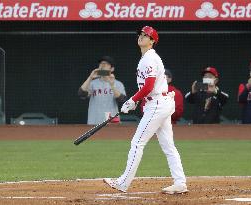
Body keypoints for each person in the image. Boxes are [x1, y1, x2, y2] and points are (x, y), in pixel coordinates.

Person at [103, 26, 188, 194]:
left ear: (152, 41)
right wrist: (136, 100)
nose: (141, 37)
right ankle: (180, 183)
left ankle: (123, 182)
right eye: (140, 34)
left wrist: (132, 100)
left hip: (157, 104)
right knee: (168, 146)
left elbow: (149, 86)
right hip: (159, 102)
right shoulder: (147, 58)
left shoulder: (149, 58)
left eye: (145, 35)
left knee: (137, 143)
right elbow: (148, 87)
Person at [78, 56, 126, 125]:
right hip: (94, 120)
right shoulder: (92, 83)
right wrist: (90, 77)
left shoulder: (118, 84)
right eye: (101, 63)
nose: (103, 65)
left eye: (106, 64)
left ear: (112, 69)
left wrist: (112, 85)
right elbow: (81, 94)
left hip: (112, 120)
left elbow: (122, 100)